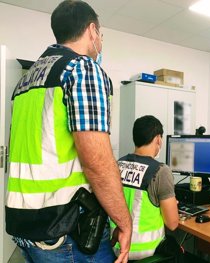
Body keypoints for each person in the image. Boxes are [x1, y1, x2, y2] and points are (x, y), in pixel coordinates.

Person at [5, 1, 132, 262]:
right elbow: (96, 163)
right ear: (92, 30)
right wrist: (124, 221)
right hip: (65, 228)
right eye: (102, 35)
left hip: (27, 224)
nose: (101, 42)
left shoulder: (26, 81)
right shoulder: (82, 69)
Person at [110, 115, 180, 260]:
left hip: (116, 245)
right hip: (146, 250)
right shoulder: (160, 171)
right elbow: (172, 224)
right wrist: (170, 206)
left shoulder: (117, 164)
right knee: (179, 250)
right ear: (158, 139)